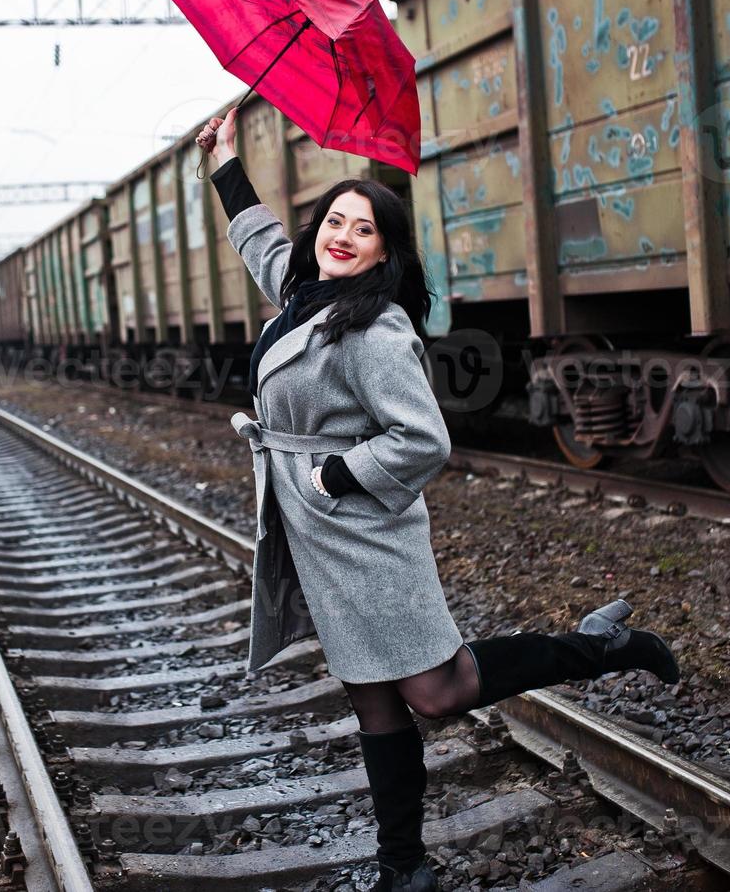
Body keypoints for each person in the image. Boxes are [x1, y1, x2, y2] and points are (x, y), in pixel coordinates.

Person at [196, 108, 680, 892]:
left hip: (365, 531)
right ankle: (404, 870)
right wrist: (223, 162)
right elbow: (259, 241)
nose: (343, 236)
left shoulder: (373, 327)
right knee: (372, 703)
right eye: (334, 222)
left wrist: (334, 477)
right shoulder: (302, 293)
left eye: (364, 229)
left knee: (436, 692)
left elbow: (422, 441)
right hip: (317, 537)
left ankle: (601, 649)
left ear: (385, 250)